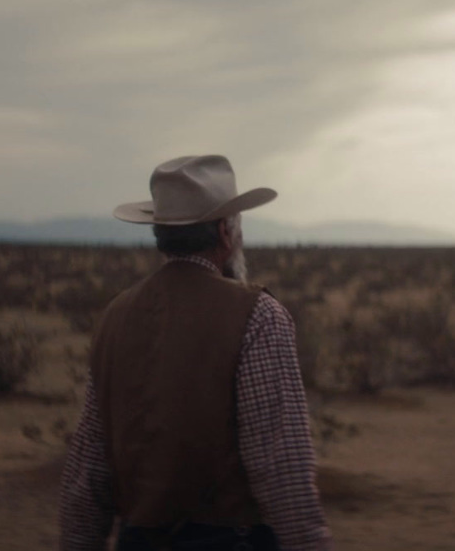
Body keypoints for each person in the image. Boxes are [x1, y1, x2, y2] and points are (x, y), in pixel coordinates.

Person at [59, 155, 332, 551]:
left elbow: (88, 471)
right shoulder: (258, 314)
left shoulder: (115, 315)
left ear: (160, 234)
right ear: (226, 231)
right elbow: (281, 468)